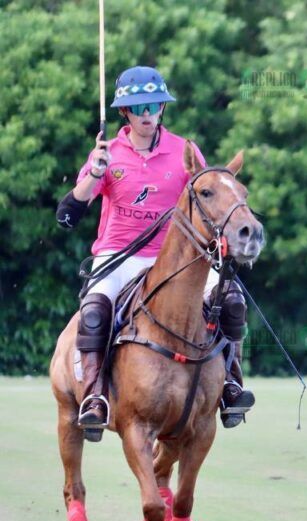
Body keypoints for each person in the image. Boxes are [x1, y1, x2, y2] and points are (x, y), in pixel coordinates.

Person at [55, 66, 253, 440]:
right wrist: (94, 176)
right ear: (124, 113)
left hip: (177, 258)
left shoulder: (184, 150)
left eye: (154, 105)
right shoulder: (107, 154)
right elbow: (67, 216)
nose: (147, 113)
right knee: (95, 310)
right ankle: (95, 397)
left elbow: (207, 199)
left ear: (162, 108)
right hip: (119, 254)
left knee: (232, 300)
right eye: (138, 106)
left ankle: (230, 383)